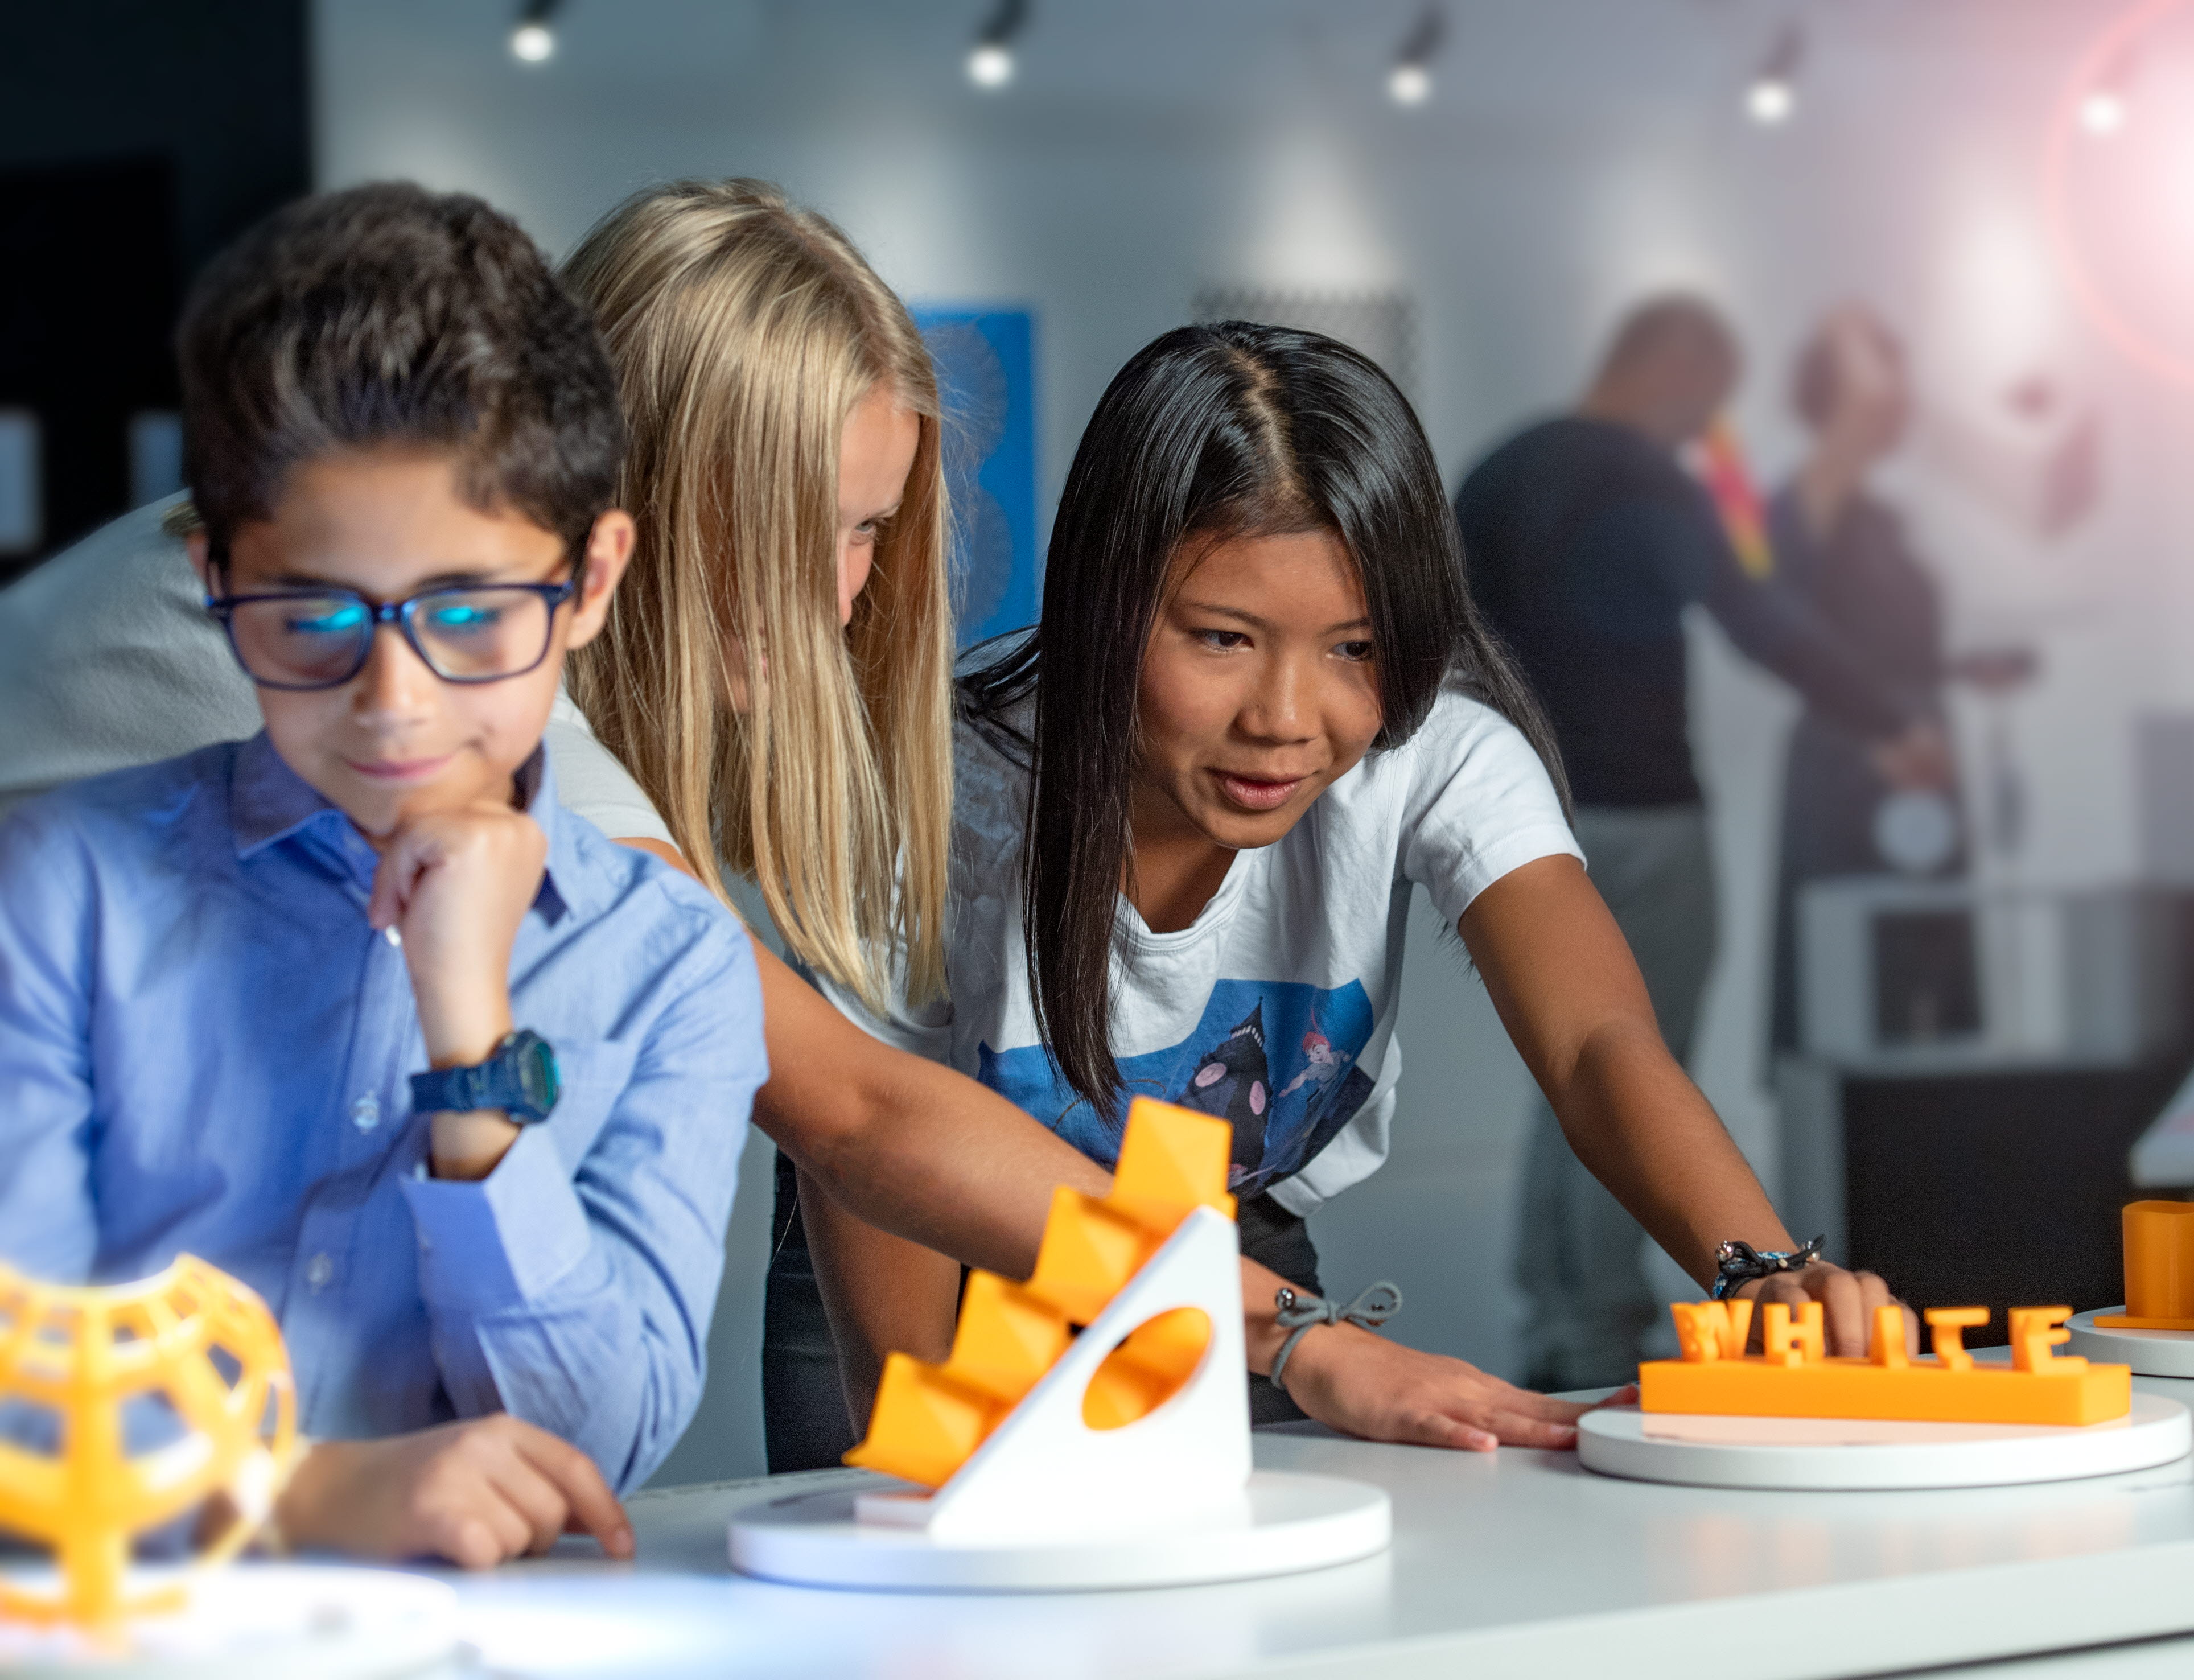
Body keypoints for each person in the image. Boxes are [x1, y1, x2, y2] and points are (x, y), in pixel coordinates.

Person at [0, 178, 1571, 1475]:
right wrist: (1297, 1338)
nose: (844, 593)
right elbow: (856, 1112)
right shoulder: (408, 667)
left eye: (873, 526)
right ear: (643, 517)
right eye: (806, 529)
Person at [807, 320, 1907, 1445]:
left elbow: (1594, 1045)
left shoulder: (1435, 749)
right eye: (1222, 638)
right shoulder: (932, 792)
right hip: (928, 1243)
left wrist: (1760, 1267)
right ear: (1106, 597)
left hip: (1222, 1249)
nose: (1285, 721)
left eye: (1355, 648)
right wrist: (923, 1458)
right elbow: (875, 1133)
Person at [0, 183, 764, 1567]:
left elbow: (592, 1445)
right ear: (214, 574)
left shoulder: (669, 963)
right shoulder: (59, 894)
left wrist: (468, 1030)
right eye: (310, 618)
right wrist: (302, 1498)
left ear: (591, 580)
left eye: (471, 614)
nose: (393, 701)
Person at [1455, 295, 1949, 1392]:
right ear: (1677, 374)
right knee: (1630, 1060)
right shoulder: (1652, 479)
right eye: (1708, 406)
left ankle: (1557, 1312)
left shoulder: (1493, 476)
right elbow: (1757, 614)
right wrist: (1891, 725)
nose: (1704, 431)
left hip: (1508, 823)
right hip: (1645, 817)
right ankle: (1592, 1324)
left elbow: (1434, 641)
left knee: (1568, 1069)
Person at [1766, 304, 2035, 1055]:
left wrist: (1957, 672)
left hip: (1922, 753)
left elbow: (1881, 638)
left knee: (1934, 980)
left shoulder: (1882, 517)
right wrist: (1853, 340)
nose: (1904, 405)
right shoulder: (1800, 503)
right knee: (1855, 987)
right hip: (1855, 763)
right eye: (1890, 389)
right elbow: (1808, 637)